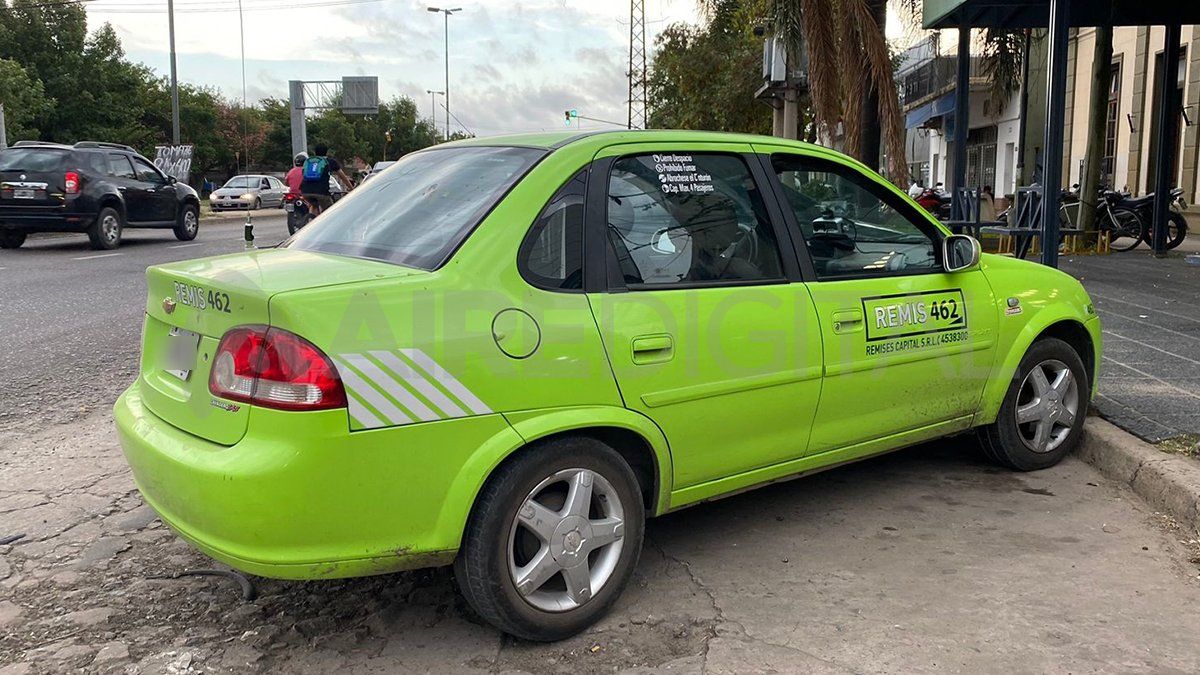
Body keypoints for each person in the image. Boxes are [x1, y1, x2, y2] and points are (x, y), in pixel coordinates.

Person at [300, 144, 354, 215]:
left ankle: (310, 220)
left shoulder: (310, 162)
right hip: (321, 192)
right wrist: (351, 188)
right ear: (326, 152)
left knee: (314, 205)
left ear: (315, 152)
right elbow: (342, 176)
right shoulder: (330, 161)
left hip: (305, 191)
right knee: (330, 211)